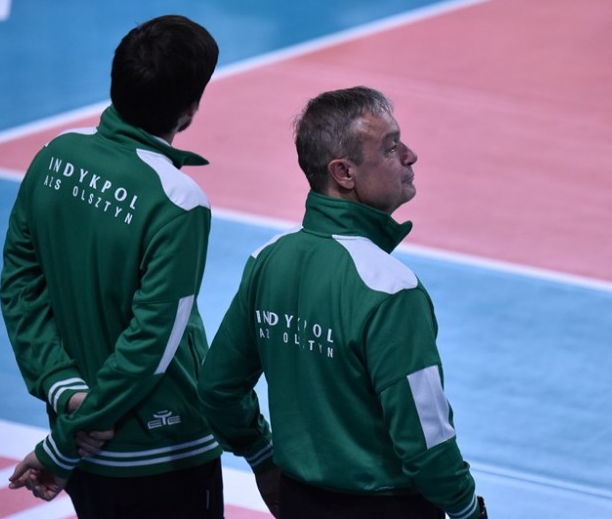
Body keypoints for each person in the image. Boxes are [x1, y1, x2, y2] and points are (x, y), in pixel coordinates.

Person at [198, 86, 487, 519]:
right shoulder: (391, 290)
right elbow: (427, 442)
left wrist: (260, 456)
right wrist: (467, 509)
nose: (410, 156)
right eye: (390, 147)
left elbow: (217, 389)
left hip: (297, 501)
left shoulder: (268, 261)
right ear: (344, 173)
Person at [0, 14, 225, 517]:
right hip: (163, 446)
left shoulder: (54, 156)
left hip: (87, 451)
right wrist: (67, 441)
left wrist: (65, 391)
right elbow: (152, 343)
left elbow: (19, 287)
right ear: (190, 108)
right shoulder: (179, 201)